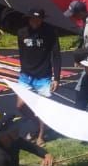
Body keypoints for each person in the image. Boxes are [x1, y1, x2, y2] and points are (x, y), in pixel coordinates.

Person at [16, 8, 61, 144]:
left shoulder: (50, 32)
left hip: (43, 76)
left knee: (43, 107)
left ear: (42, 19)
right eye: (33, 19)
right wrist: (23, 70)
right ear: (29, 18)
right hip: (26, 75)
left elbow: (56, 55)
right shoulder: (22, 32)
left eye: (38, 19)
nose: (35, 22)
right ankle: (38, 124)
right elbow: (21, 53)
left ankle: (41, 135)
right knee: (20, 105)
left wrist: (56, 78)